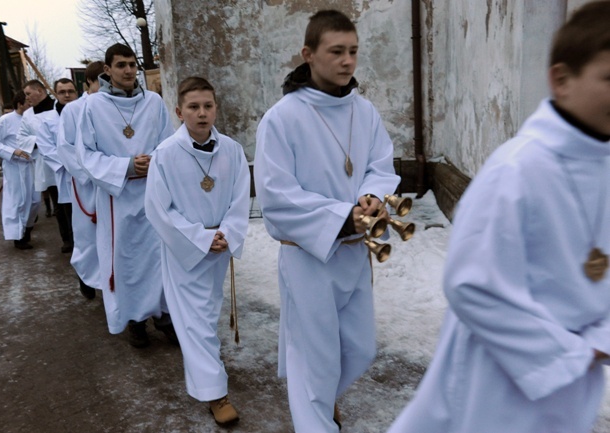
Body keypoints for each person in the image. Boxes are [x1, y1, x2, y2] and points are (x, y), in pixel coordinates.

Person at [387, 3, 610, 433]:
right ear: (561, 80)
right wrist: (570, 353)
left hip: (571, 393)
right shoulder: (516, 171)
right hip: (497, 391)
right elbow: (471, 284)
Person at [254, 10, 400, 432]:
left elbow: (379, 164)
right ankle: (316, 422)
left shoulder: (364, 110)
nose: (347, 61)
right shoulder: (282, 118)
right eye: (336, 51)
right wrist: (342, 218)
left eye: (353, 51)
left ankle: (315, 408)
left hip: (355, 255)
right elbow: (276, 197)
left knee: (359, 349)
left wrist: (371, 196)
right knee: (316, 365)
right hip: (309, 259)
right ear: (308, 54)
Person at [145, 77, 250, 426]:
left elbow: (240, 196)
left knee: (208, 312)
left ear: (216, 108)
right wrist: (201, 237)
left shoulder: (232, 150)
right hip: (184, 253)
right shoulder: (165, 154)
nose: (202, 113)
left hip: (218, 249)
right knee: (196, 322)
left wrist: (228, 233)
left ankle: (209, 378)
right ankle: (215, 394)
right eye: (193, 107)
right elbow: (159, 209)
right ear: (179, 112)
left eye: (207, 106)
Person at [76, 43, 177, 347]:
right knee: (126, 258)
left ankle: (164, 316)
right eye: (121, 65)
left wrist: (154, 163)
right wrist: (127, 167)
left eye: (132, 64)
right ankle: (134, 319)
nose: (129, 70)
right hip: (117, 198)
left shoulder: (154, 103)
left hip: (152, 193)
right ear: (107, 70)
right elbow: (87, 155)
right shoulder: (93, 107)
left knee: (159, 255)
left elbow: (168, 143)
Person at [56, 61, 105, 300]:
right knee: (88, 236)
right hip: (89, 184)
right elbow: (65, 147)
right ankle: (86, 275)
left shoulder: (113, 106)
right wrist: (92, 175)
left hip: (114, 181)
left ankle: (109, 279)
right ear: (89, 83)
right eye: (100, 83)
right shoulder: (73, 110)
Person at [0, 91, 35, 249]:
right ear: (20, 104)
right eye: (28, 103)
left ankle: (27, 229)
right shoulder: (6, 120)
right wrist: (13, 151)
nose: (31, 106)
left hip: (32, 165)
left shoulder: (33, 120)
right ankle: (18, 237)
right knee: (17, 201)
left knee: (34, 200)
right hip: (15, 167)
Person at [37, 78, 79, 254]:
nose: (67, 95)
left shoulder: (86, 113)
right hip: (66, 173)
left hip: (89, 171)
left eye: (71, 91)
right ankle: (72, 243)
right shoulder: (48, 120)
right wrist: (71, 164)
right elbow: (46, 148)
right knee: (68, 212)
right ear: (56, 94)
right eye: (62, 92)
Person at [15, 79, 55, 248]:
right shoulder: (28, 114)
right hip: (43, 163)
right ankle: (66, 241)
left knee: (67, 202)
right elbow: (21, 138)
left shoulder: (57, 107)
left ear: (39, 90)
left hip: (63, 160)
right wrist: (41, 140)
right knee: (53, 199)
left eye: (28, 94)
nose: (27, 98)